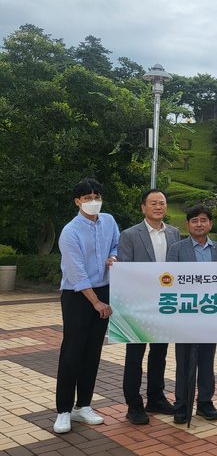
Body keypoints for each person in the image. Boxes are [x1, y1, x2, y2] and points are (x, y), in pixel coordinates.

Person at [53, 178, 119, 434]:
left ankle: (84, 406)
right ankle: (63, 411)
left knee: (92, 351)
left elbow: (116, 244)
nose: (93, 201)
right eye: (87, 197)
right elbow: (76, 272)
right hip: (78, 296)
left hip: (103, 289)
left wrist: (113, 256)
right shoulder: (70, 231)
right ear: (77, 201)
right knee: (72, 352)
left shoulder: (109, 221)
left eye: (96, 196)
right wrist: (96, 302)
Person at [118, 189, 180, 424]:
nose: (158, 207)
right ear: (143, 207)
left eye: (162, 203)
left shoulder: (174, 233)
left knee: (160, 354)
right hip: (138, 305)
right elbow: (125, 270)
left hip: (164, 305)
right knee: (135, 355)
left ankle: (156, 397)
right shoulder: (130, 235)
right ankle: (134, 404)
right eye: (153, 203)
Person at [167, 205, 217, 424]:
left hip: (211, 314)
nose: (199, 224)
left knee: (207, 361)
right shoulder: (177, 249)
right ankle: (182, 404)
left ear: (210, 224)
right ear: (187, 225)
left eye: (203, 220)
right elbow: (169, 280)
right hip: (185, 314)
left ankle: (205, 403)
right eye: (194, 221)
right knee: (184, 361)